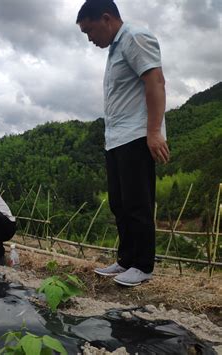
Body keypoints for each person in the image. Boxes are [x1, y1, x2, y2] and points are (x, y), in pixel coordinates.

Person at [76, 0, 169, 286]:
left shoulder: (134, 37)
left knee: (137, 203)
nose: (90, 39)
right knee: (119, 202)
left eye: (90, 31)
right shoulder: (115, 48)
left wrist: (153, 132)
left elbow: (155, 82)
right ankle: (126, 260)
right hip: (116, 138)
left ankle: (143, 266)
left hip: (137, 135)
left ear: (106, 19)